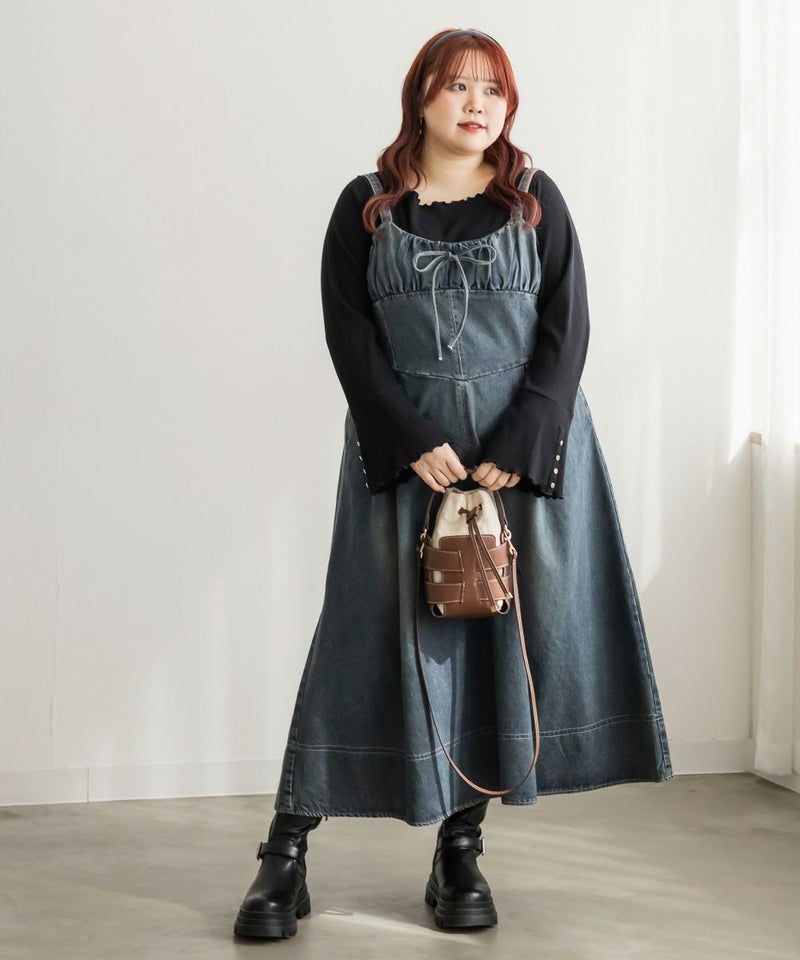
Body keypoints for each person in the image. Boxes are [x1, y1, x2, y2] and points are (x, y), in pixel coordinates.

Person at [233, 27, 673, 940]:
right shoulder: (365, 204)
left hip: (520, 463)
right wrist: (409, 438)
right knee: (361, 635)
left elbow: (568, 331)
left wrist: (523, 439)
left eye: (493, 90)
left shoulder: (536, 199)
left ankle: (460, 851)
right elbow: (349, 336)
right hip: (406, 462)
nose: (477, 104)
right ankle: (285, 851)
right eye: (457, 85)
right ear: (421, 97)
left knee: (494, 644)